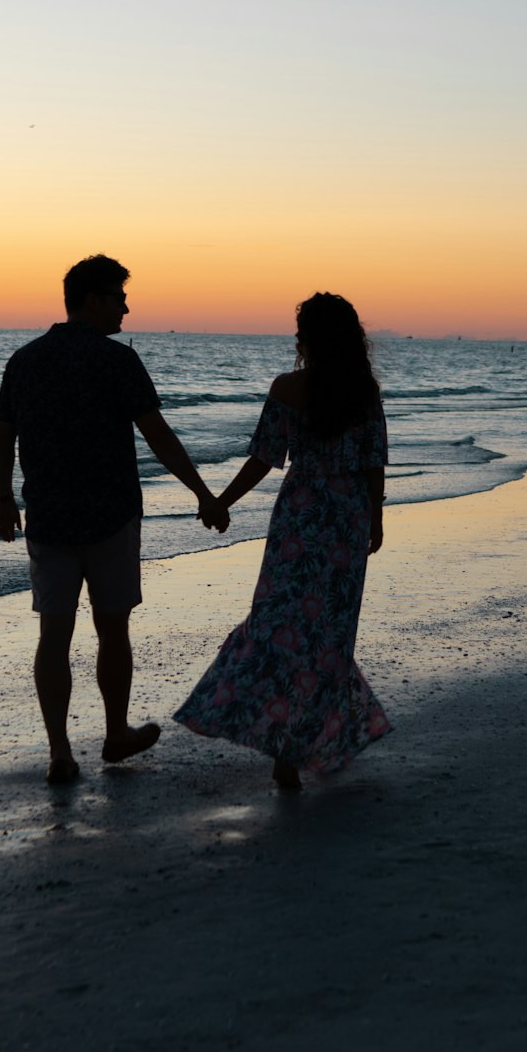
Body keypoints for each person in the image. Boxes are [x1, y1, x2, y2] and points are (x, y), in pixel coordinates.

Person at [0, 254, 227, 785]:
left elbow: (4, 436)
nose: (127, 306)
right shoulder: (117, 361)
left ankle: (61, 753)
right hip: (111, 514)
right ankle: (116, 732)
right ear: (93, 301)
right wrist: (204, 493)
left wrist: (5, 499)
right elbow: (157, 434)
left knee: (54, 631)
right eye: (119, 297)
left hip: (48, 515)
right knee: (111, 626)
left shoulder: (24, 360)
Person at [174, 292, 390, 789]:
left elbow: (265, 458)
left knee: (276, 626)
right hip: (347, 518)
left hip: (300, 516)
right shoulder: (364, 390)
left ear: (307, 338)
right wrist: (374, 519)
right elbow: (372, 460)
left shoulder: (288, 388)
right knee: (330, 639)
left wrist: (221, 501)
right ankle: (306, 745)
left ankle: (284, 750)